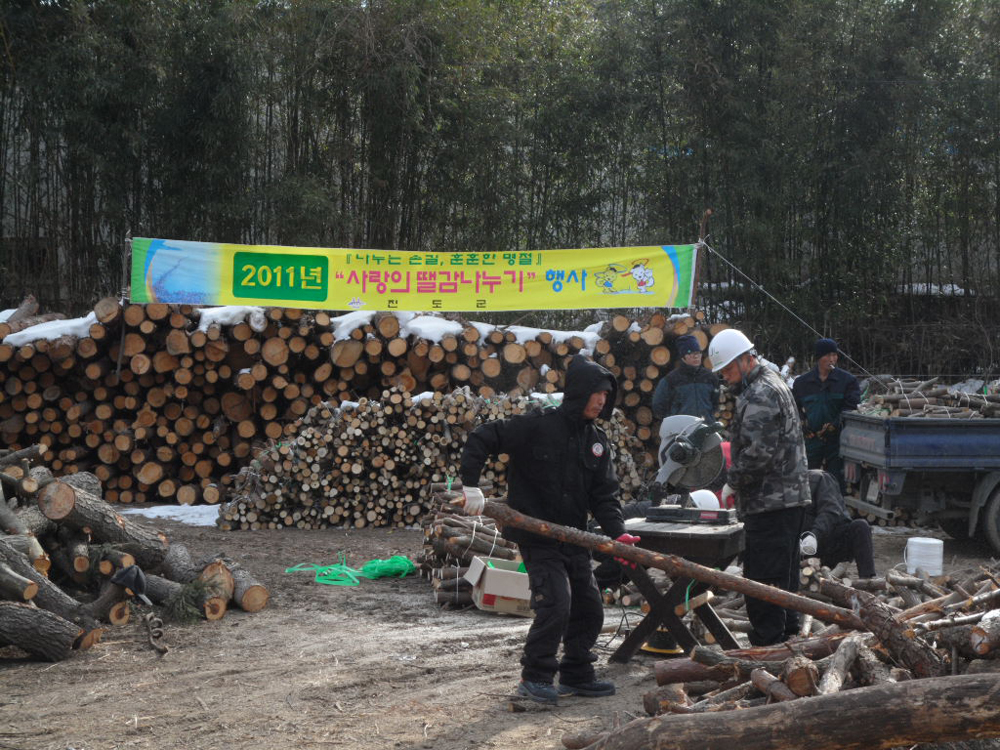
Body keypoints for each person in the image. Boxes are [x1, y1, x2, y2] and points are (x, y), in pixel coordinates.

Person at [458, 354, 637, 705]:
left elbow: (606, 496)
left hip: (576, 537)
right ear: (579, 392)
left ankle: (576, 672)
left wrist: (619, 536)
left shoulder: (596, 442)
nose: (601, 401)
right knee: (556, 603)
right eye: (596, 393)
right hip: (536, 536)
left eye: (606, 395)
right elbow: (483, 437)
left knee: (590, 607)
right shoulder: (536, 426)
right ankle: (535, 676)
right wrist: (470, 485)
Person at [709, 328, 811, 646]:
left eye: (727, 370)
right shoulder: (770, 383)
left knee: (763, 579)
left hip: (771, 502)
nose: (726, 378)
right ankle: (789, 635)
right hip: (784, 499)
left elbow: (757, 455)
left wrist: (731, 483)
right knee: (783, 576)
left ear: (745, 360)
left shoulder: (761, 394)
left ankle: (768, 645)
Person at [792, 338, 861, 492]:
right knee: (807, 480)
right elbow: (793, 407)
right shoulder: (802, 383)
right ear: (818, 357)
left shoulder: (847, 381)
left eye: (834, 355)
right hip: (811, 440)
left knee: (836, 481)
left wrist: (834, 425)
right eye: (827, 355)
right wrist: (803, 423)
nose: (831, 359)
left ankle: (836, 512)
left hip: (837, 441)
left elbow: (851, 407)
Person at [800, 469, 876, 579]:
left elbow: (829, 511)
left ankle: (868, 580)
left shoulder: (819, 479)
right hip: (805, 554)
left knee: (860, 526)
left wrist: (814, 535)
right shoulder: (779, 487)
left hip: (832, 544)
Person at [651, 334, 720, 422]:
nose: (695, 356)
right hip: (682, 431)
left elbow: (715, 403)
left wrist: (708, 417)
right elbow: (658, 406)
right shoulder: (671, 380)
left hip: (706, 428)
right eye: (690, 353)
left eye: (698, 352)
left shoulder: (710, 377)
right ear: (683, 356)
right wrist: (673, 419)